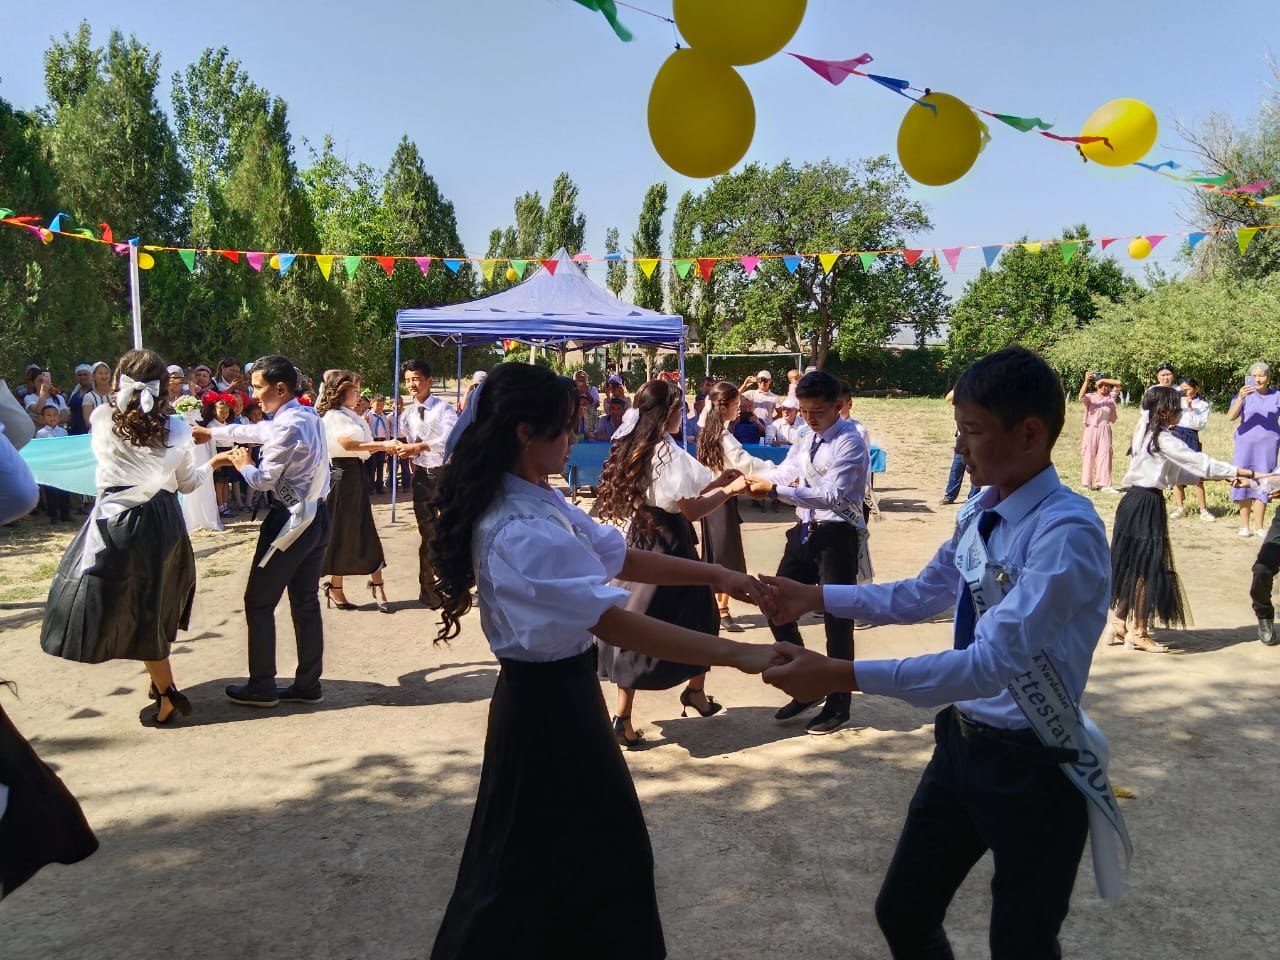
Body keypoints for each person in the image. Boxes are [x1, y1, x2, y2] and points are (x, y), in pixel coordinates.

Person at [759, 346, 1123, 959]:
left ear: (1029, 434)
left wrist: (839, 673)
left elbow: (988, 665)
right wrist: (813, 595)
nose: (959, 447)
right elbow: (924, 592)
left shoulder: (1066, 533)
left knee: (1021, 943)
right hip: (962, 744)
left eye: (972, 431)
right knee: (903, 912)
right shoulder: (983, 507)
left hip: (1036, 764)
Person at [426, 363, 775, 959]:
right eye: (565, 427)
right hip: (545, 710)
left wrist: (718, 575)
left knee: (560, 860)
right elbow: (612, 620)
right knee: (550, 863)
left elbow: (621, 556)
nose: (574, 437)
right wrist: (740, 654)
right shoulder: (519, 527)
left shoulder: (536, 500)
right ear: (524, 433)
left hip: (560, 697)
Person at [41, 349, 220, 725]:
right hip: (160, 521)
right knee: (155, 602)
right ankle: (164, 688)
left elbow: (108, 463)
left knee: (123, 601)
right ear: (164, 386)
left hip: (115, 520)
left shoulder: (101, 417)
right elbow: (188, 484)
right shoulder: (178, 429)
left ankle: (165, 689)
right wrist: (214, 463)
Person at [595, 379, 753, 747]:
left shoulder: (635, 444)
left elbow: (679, 492)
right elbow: (691, 509)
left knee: (643, 616)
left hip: (642, 537)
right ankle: (637, 710)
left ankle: (664, 701)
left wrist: (716, 482)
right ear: (667, 413)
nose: (682, 414)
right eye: (678, 409)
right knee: (688, 618)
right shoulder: (667, 452)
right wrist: (728, 490)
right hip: (668, 543)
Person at [193, 355, 331, 708]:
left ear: (280, 388)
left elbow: (264, 480)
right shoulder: (306, 414)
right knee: (305, 600)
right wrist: (213, 433)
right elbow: (258, 431)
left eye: (257, 388)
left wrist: (243, 464)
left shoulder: (288, 425)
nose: (253, 395)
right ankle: (308, 683)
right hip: (317, 515)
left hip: (290, 520)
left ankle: (262, 685)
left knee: (258, 602)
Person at [743, 370, 869, 735]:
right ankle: (807, 681)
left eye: (817, 412)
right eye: (804, 411)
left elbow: (832, 496)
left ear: (838, 406)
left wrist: (773, 492)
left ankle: (839, 704)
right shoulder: (804, 435)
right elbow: (786, 471)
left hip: (836, 536)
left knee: (837, 620)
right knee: (774, 602)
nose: (810, 419)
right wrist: (754, 481)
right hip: (804, 532)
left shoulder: (850, 442)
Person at [1110, 385, 1248, 652]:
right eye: (1177, 408)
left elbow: (1179, 474)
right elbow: (1200, 462)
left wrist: (1222, 477)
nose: (1181, 413)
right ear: (1165, 411)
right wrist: (1243, 472)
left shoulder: (1145, 431)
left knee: (1133, 564)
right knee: (1147, 568)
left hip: (1133, 502)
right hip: (1146, 504)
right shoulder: (1164, 439)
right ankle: (1139, 631)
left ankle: (1118, 621)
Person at [698, 380, 779, 630]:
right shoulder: (722, 436)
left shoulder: (707, 429)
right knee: (724, 554)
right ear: (724, 407)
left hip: (712, 499)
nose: (739, 408)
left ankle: (716, 608)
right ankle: (720, 610)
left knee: (717, 554)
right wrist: (776, 470)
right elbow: (746, 463)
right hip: (720, 499)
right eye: (735, 404)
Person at [316, 369, 395, 613]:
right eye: (355, 390)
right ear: (341, 391)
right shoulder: (334, 416)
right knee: (342, 530)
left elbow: (360, 447)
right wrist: (383, 445)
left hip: (355, 472)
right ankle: (338, 585)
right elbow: (347, 443)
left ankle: (375, 583)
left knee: (361, 527)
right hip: (341, 475)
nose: (359, 394)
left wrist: (382, 447)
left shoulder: (350, 415)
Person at [396, 358, 458, 608]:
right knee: (428, 534)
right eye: (408, 380)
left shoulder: (444, 410)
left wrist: (418, 447)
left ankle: (451, 582)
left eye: (417, 379)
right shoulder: (406, 415)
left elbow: (449, 438)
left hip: (446, 475)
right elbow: (404, 440)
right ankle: (428, 588)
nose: (412, 384)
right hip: (422, 478)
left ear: (429, 381)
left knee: (450, 530)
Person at [1228, 362, 1280, 537]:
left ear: (1268, 378)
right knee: (1243, 478)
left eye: (1262, 375)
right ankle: (1244, 526)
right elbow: (1231, 417)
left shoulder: (1277, 395)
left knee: (1264, 481)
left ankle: (1259, 526)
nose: (1258, 379)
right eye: (1254, 376)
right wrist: (1241, 398)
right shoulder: (1244, 394)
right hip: (1245, 444)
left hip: (1269, 445)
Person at [1170, 377, 1215, 522]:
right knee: (1176, 472)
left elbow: (1199, 425)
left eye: (1187, 389)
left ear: (1196, 389)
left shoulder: (1203, 405)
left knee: (1196, 474)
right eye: (1182, 389)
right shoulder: (1175, 401)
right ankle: (1179, 507)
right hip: (1176, 434)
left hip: (1191, 436)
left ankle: (1203, 510)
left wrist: (1190, 408)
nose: (1184, 392)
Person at [1078, 370, 1121, 492]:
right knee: (1088, 454)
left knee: (1105, 455)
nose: (1104, 387)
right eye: (1101, 385)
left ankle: (1103, 484)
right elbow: (1081, 396)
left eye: (1106, 386)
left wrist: (1103, 379)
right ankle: (1086, 483)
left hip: (1105, 427)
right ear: (1096, 386)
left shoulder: (1110, 397)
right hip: (1091, 428)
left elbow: (1118, 383)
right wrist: (1086, 381)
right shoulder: (1091, 397)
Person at [34, 404, 72, 524]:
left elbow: (67, 447)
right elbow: (40, 450)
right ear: (43, 418)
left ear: (59, 416)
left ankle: (65, 513)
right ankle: (53, 515)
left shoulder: (63, 431)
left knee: (64, 490)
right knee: (51, 492)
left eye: (55, 415)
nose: (52, 418)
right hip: (50, 466)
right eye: (49, 415)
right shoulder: (41, 433)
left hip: (62, 465)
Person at [940, 388, 979, 505]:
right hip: (962, 439)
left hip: (976, 439)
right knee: (956, 468)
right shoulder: (962, 396)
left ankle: (973, 499)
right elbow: (948, 398)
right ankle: (950, 495)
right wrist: (960, 387)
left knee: (976, 469)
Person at [365, 393, 392, 494]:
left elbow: (387, 431)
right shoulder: (368, 416)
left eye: (382, 405)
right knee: (372, 466)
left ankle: (379, 486)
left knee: (381, 466)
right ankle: (371, 487)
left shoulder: (384, 417)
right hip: (372, 442)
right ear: (371, 403)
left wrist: (388, 444)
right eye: (377, 405)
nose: (380, 407)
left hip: (382, 442)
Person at [66, 363, 94, 436]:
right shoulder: (75, 392)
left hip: (89, 429)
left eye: (85, 374)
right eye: (79, 375)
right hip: (74, 430)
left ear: (91, 376)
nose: (82, 377)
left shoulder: (94, 392)